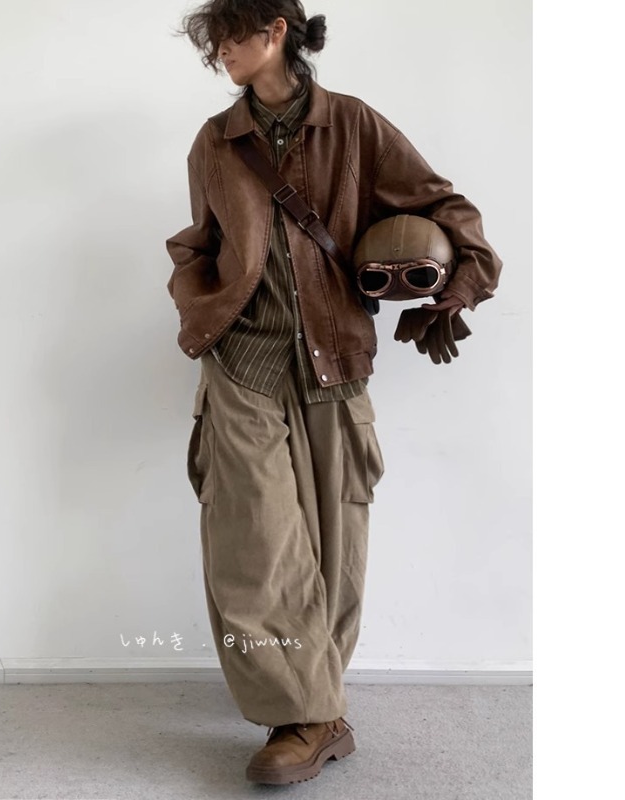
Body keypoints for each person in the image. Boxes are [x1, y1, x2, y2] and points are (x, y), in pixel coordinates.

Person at [164, 0, 502, 786]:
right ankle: (307, 719)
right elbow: (198, 244)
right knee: (253, 544)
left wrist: (455, 292)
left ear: (275, 30)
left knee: (333, 545)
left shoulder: (353, 125)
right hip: (242, 363)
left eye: (229, 37)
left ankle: (315, 706)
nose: (219, 53)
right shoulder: (214, 142)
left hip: (334, 361)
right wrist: (199, 310)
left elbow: (447, 210)